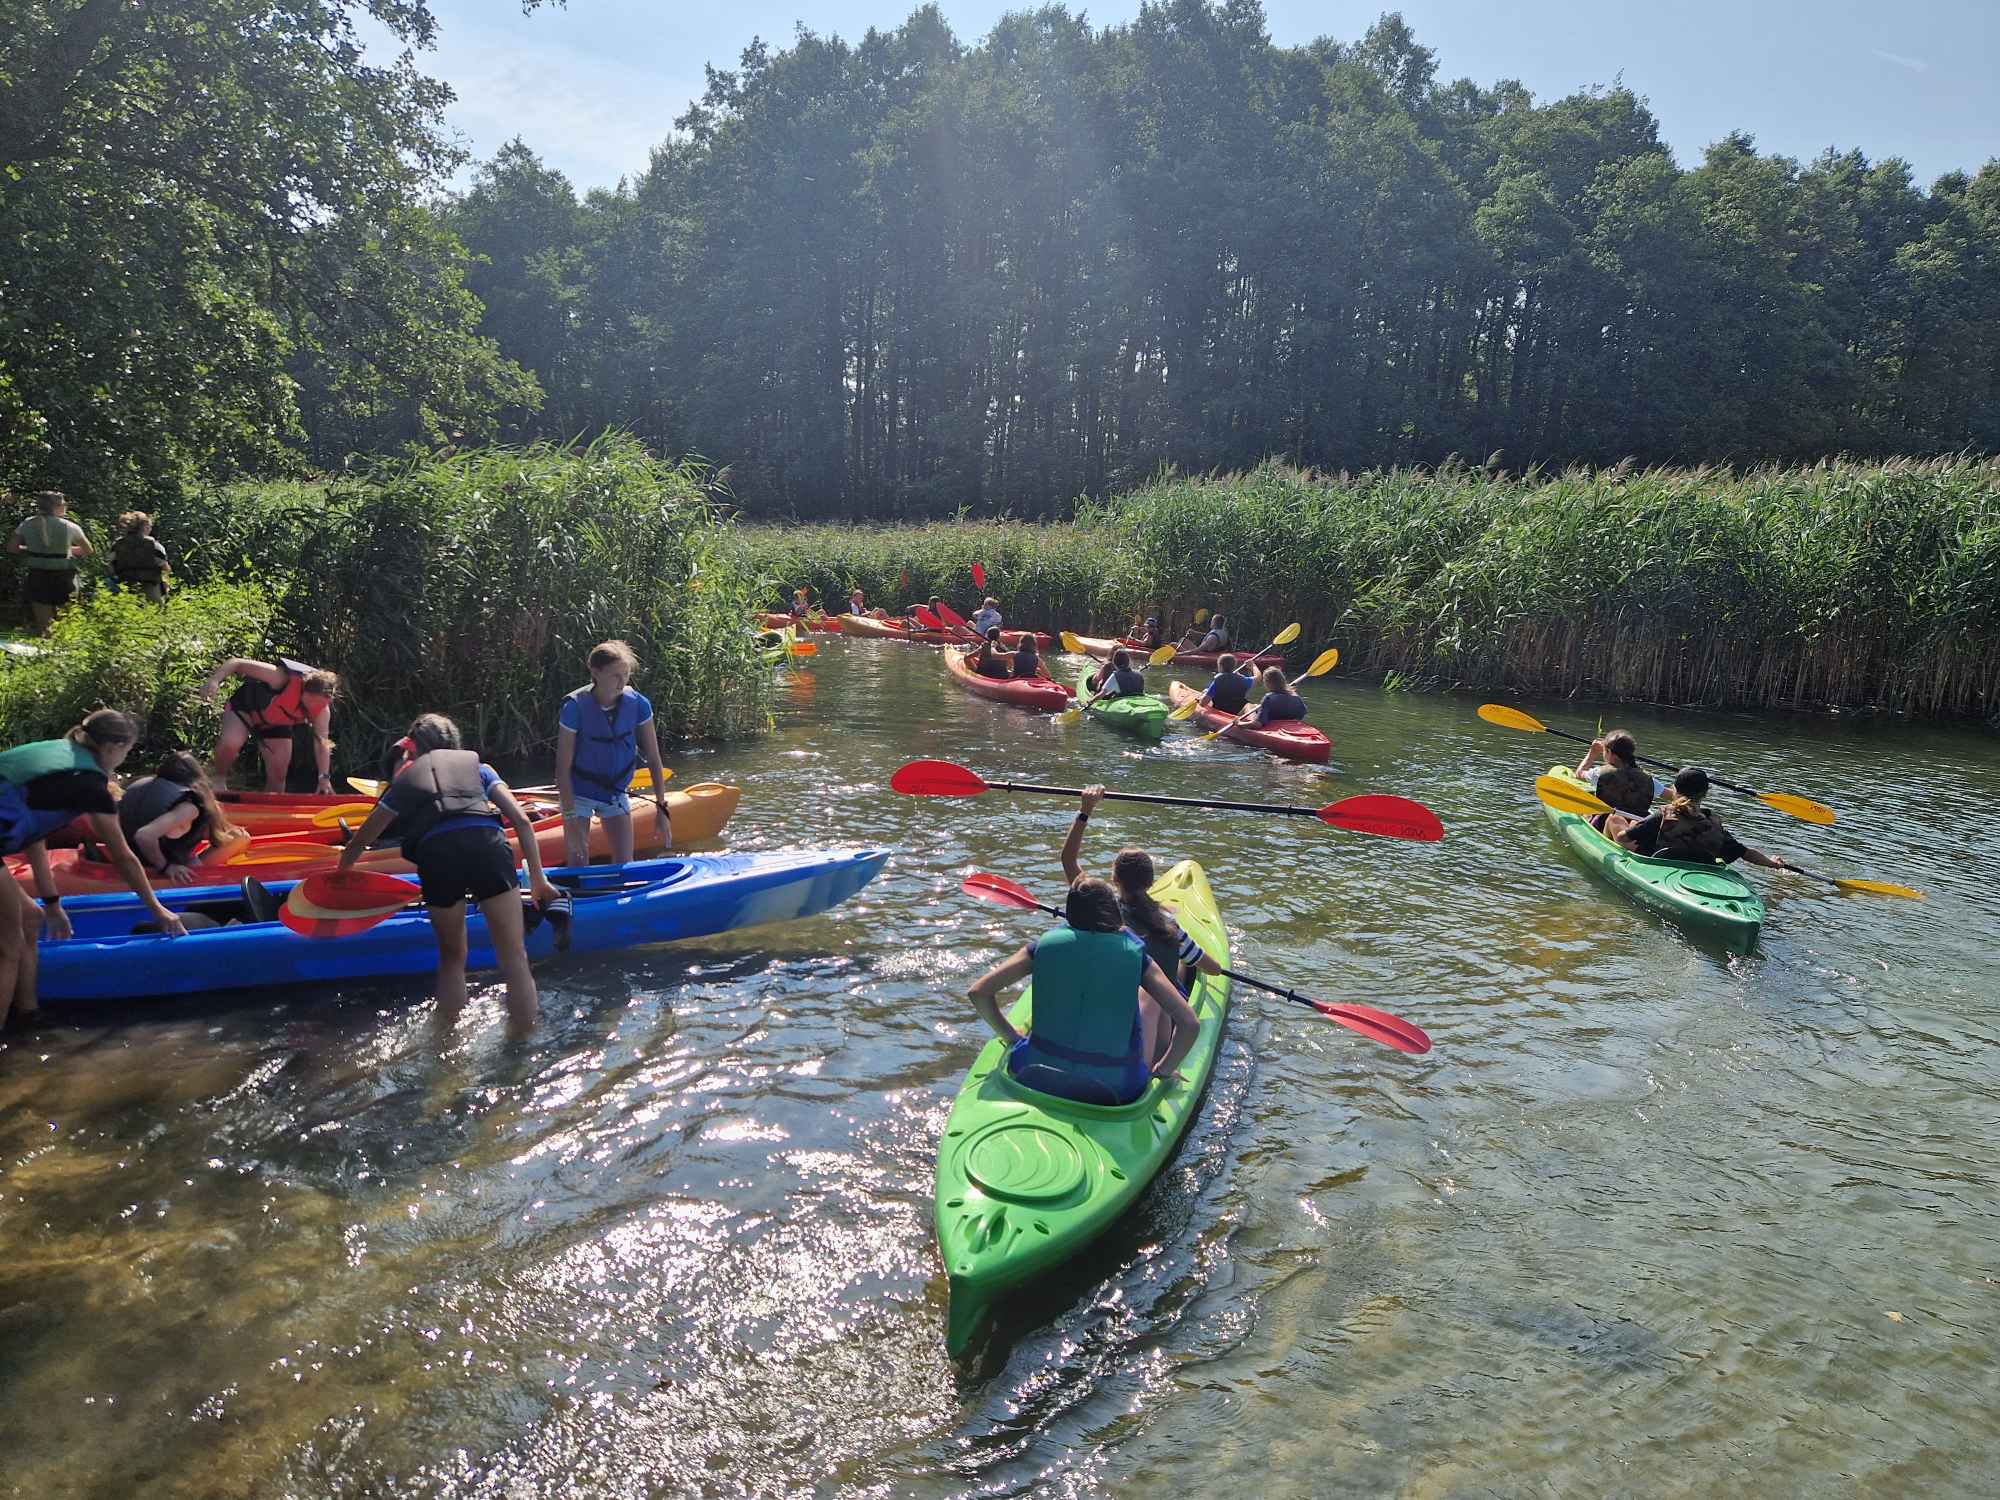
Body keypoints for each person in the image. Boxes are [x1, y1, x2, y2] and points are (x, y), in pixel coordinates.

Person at [338, 714, 562, 1036]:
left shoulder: (407, 779)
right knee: (514, 957)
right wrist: (538, 881)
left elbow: (364, 838)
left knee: (453, 958)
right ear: (455, 743)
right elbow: (522, 822)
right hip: (488, 847)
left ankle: (449, 1047)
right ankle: (525, 1041)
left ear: (412, 748)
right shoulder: (481, 769)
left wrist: (341, 876)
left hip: (438, 855)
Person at [1, 711, 188, 1029]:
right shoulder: (89, 784)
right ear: (114, 746)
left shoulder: (58, 752)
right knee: (9, 945)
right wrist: (158, 911)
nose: (125, 758)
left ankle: (28, 1013)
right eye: (128, 750)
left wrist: (52, 904)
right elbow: (123, 857)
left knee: (31, 918)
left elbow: (34, 837)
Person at [967, 875, 1201, 1105]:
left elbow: (979, 993)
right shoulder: (1138, 958)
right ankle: (1156, 1063)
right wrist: (1164, 1070)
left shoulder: (1040, 948)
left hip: (1034, 1073)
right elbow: (1189, 1024)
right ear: (1114, 914)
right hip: (1116, 1089)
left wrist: (1011, 1036)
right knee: (1149, 997)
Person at [1062, 785, 1222, 997]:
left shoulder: (1101, 906)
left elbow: (1068, 860)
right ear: (1150, 882)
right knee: (1187, 964)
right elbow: (1214, 969)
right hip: (1157, 1006)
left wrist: (1086, 810)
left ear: (1114, 879)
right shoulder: (1168, 924)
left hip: (1115, 992)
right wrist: (1196, 960)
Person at [554, 639, 670, 866]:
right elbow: (562, 769)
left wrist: (661, 808)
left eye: (625, 675)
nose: (622, 682)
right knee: (577, 860)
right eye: (615, 675)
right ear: (595, 672)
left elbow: (655, 759)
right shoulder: (574, 708)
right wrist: (570, 820)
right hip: (579, 792)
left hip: (616, 792)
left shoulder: (638, 704)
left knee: (625, 862)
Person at [202, 656, 340, 793]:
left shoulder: (322, 710)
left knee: (279, 771)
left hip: (275, 723)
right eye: (314, 702)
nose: (316, 708)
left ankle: (267, 807)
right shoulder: (279, 677)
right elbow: (237, 663)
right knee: (231, 742)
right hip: (246, 708)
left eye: (322, 704)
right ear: (304, 691)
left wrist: (324, 779)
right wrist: (214, 680)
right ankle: (218, 780)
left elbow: (322, 743)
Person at [1617, 767, 1790, 872]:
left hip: (1660, 869)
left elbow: (1622, 838)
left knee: (1614, 820)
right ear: (1705, 794)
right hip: (1701, 869)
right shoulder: (1713, 823)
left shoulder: (1663, 815)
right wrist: (1773, 864)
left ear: (1675, 789)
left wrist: (1630, 828)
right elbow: (1745, 853)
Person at [118, 750, 247, 884]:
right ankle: (191, 875)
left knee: (231, 835)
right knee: (240, 838)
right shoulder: (189, 807)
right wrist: (166, 867)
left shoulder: (140, 785)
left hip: (128, 857)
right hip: (156, 866)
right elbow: (143, 835)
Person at [7, 491, 91, 636]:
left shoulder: (27, 524)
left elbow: (11, 548)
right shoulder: (70, 526)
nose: (66, 506)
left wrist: (32, 549)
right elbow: (87, 550)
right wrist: (66, 550)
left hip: (38, 576)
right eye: (64, 503)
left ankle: (46, 653)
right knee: (67, 623)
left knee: (45, 627)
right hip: (64, 577)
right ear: (56, 506)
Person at [1574, 730, 1655, 835]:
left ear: (1610, 753)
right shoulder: (1648, 778)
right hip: (1637, 827)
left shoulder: (1598, 773)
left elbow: (1579, 774)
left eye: (1605, 751)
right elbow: (1670, 794)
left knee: (1585, 811)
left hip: (1604, 824)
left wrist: (1592, 754)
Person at [110, 512, 172, 603]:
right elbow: (165, 568)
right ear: (145, 526)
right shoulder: (155, 546)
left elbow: (110, 566)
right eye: (150, 526)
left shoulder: (117, 545)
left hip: (125, 589)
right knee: (153, 614)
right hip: (150, 589)